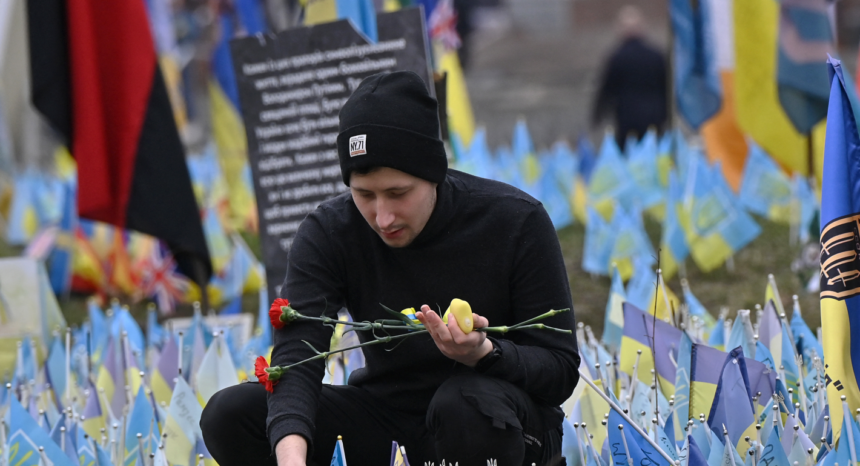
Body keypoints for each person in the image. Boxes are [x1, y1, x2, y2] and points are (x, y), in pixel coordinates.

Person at [200, 71, 580, 466]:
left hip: (498, 423)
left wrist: (484, 352)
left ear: (432, 173)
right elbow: (299, 354)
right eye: (364, 195)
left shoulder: (515, 221)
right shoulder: (330, 230)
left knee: (463, 403)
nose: (382, 217)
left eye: (398, 194)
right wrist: (292, 458)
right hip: (388, 417)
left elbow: (560, 369)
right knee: (232, 413)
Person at [591, 5, 668, 151]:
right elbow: (666, 86)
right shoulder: (656, 55)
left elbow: (607, 89)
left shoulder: (616, 57)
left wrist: (597, 116)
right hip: (655, 118)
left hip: (627, 119)